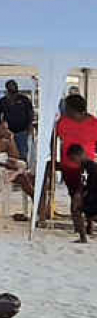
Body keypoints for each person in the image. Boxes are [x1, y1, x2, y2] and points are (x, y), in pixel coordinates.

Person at [57, 94, 97, 243]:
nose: (65, 110)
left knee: (88, 196)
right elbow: (57, 140)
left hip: (88, 165)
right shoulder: (63, 122)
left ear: (75, 109)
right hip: (69, 166)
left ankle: (88, 226)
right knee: (74, 195)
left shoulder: (94, 123)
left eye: (67, 108)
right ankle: (81, 229)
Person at [0, 120, 35, 203]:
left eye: (7, 128)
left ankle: (37, 199)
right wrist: (2, 165)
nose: (6, 131)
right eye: (3, 129)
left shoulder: (5, 142)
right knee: (23, 178)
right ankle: (36, 199)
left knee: (31, 177)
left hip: (6, 170)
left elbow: (15, 156)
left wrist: (11, 139)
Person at [0, 80, 35, 162]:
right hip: (8, 133)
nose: (13, 87)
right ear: (7, 88)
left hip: (22, 131)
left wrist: (30, 126)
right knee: (9, 153)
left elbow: (30, 113)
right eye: (11, 86)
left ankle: (23, 171)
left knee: (22, 153)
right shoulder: (2, 101)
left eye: (14, 85)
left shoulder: (24, 99)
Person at [65, 145, 97, 236]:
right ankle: (85, 232)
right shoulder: (87, 166)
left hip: (93, 198)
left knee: (76, 208)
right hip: (92, 196)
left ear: (79, 155)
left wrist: (80, 195)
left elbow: (87, 184)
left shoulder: (89, 166)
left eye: (73, 159)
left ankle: (83, 237)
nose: (73, 161)